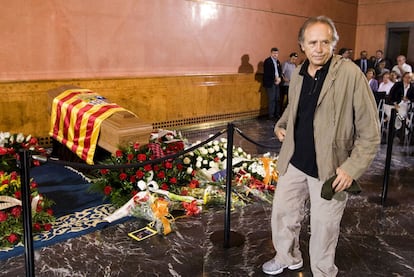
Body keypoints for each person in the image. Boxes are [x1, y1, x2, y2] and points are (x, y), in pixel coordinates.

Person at [262, 16, 380, 276]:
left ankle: (323, 272)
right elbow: (294, 109)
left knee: (324, 228)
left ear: (333, 44)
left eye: (325, 42)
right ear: (302, 45)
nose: (319, 48)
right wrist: (281, 125)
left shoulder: (350, 74)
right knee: (283, 215)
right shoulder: (301, 74)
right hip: (294, 161)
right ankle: (287, 256)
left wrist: (351, 168)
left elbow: (370, 132)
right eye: (312, 42)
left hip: (331, 169)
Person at [263, 47, 283, 119]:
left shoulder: (277, 62)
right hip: (271, 83)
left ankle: (277, 114)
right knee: (271, 99)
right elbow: (267, 73)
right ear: (271, 53)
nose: (275, 55)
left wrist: (280, 78)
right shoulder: (267, 61)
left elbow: (280, 71)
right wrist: (275, 79)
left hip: (277, 82)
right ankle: (271, 115)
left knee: (277, 99)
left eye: (277, 53)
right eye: (274, 53)